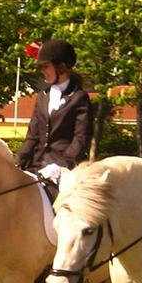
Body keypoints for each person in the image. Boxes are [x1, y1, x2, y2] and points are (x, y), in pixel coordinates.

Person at [16, 38, 92, 185]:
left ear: (62, 67)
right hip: (36, 166)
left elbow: (81, 139)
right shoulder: (43, 96)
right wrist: (17, 160)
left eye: (45, 67)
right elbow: (32, 136)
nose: (42, 72)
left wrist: (60, 166)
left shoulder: (79, 98)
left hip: (64, 171)